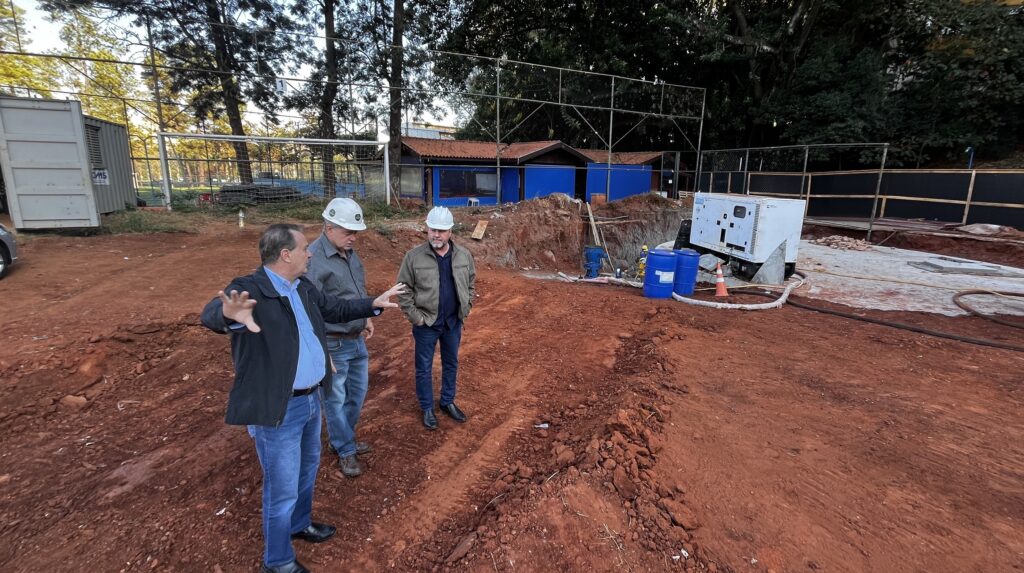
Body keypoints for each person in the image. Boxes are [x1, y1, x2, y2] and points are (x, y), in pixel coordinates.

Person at [201, 223, 404, 573]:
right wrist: (228, 315)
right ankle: (277, 562)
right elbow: (213, 312)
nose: (310, 253)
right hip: (279, 409)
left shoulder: (303, 287)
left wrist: (373, 303)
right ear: (285, 255)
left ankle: (299, 524)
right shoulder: (251, 288)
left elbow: (335, 309)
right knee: (280, 489)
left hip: (311, 401)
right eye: (304, 248)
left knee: (307, 470)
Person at [305, 198, 373, 478]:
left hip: (356, 339)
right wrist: (323, 350)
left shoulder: (349, 252)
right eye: (348, 232)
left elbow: (356, 289)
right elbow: (308, 309)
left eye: (355, 232)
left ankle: (342, 438)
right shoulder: (312, 259)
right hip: (333, 341)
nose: (353, 238)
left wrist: (366, 316)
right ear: (329, 227)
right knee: (334, 399)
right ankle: (345, 449)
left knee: (356, 396)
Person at [395, 206, 477, 430]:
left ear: (450, 231)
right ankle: (427, 407)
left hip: (452, 322)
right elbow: (403, 290)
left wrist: (466, 307)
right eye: (433, 229)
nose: (436, 235)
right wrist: (416, 318)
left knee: (451, 363)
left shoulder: (463, 255)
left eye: (441, 230)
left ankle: (447, 401)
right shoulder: (413, 257)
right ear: (427, 229)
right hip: (426, 324)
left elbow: (470, 283)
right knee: (424, 367)